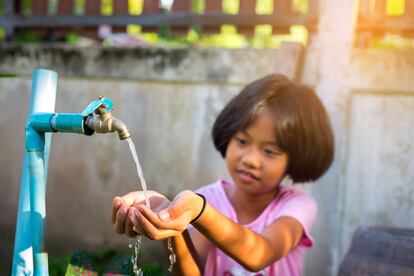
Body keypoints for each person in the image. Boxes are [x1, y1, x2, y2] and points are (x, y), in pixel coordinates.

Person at [111, 74, 334, 276]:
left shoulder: (297, 206)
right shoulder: (210, 199)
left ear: (295, 158)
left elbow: (260, 254)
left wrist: (199, 212)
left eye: (270, 151)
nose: (250, 159)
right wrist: (172, 227)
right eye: (242, 141)